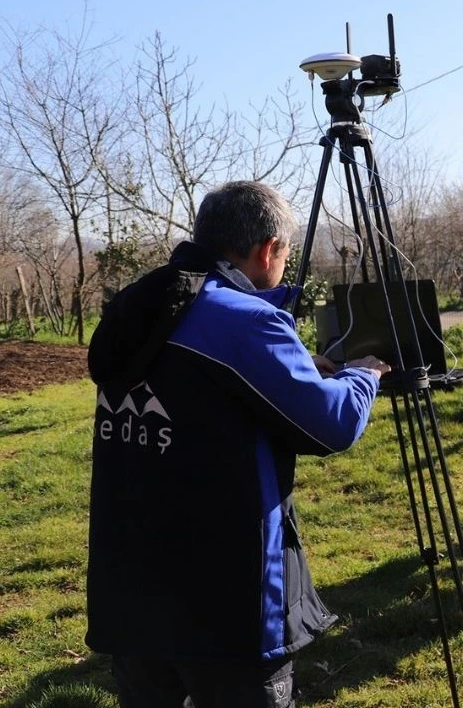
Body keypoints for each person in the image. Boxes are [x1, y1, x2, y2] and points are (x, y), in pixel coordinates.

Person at [86, 180, 390, 708]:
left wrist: (294, 368)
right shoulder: (246, 320)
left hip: (131, 587)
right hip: (225, 599)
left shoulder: (141, 305)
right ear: (268, 248)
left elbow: (198, 391)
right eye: (286, 254)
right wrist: (362, 377)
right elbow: (331, 424)